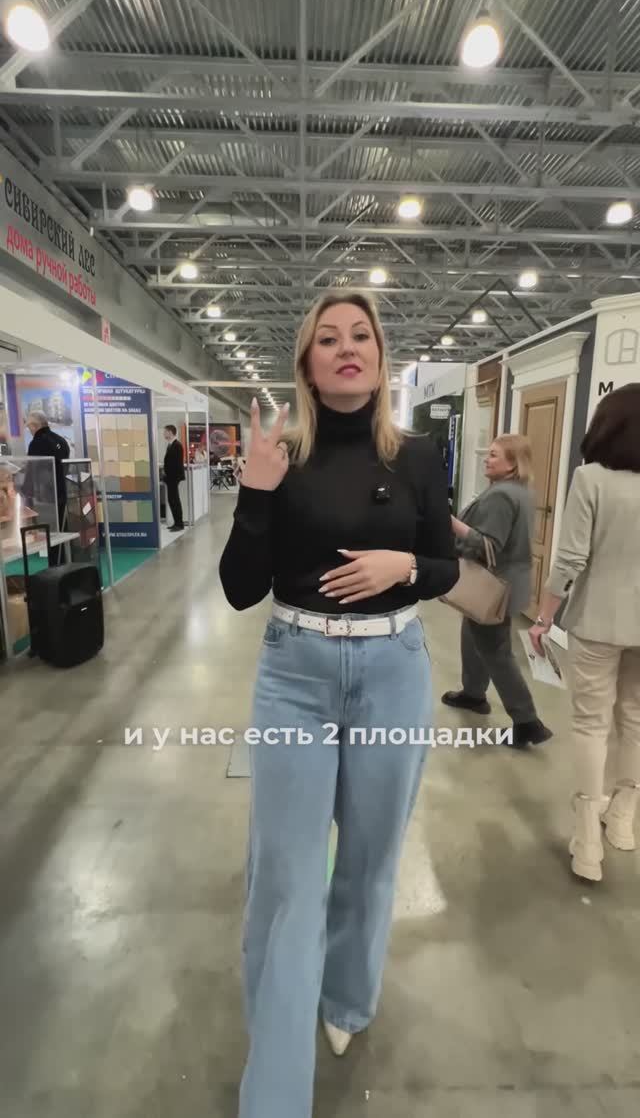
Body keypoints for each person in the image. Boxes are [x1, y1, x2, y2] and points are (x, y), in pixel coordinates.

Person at [219, 291, 459, 1118]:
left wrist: (405, 569)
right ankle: (275, 1093)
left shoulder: (417, 457)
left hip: (394, 670)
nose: (347, 347)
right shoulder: (283, 455)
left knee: (369, 858)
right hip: (295, 675)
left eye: (361, 335)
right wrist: (255, 494)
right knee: (287, 879)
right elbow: (239, 589)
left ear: (381, 358)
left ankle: (348, 1000)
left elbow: (446, 566)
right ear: (308, 364)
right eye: (328, 338)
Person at [529, 384, 640, 882]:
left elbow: (571, 558)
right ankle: (623, 820)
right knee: (635, 719)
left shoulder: (590, 478)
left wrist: (543, 617)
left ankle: (588, 841)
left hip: (597, 620)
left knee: (592, 724)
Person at [441, 434, 551, 749]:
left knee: (495, 651)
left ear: (513, 464)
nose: (486, 459)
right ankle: (473, 693)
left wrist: (450, 522)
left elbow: (488, 545)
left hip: (493, 585)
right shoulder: (521, 491)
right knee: (473, 634)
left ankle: (528, 722)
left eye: (493, 455)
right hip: (509, 581)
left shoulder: (501, 496)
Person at [26, 410, 70, 564]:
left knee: (50, 536)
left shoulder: (37, 443)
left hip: (46, 498)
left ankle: (55, 569)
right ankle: (63, 566)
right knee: (61, 534)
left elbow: (32, 471)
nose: (29, 431)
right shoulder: (61, 441)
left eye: (29, 427)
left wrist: (25, 493)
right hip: (62, 494)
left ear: (35, 425)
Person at [162, 424, 185, 531]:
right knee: (172, 500)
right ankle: (177, 523)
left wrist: (169, 476)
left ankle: (179, 524)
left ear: (170, 432)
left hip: (173, 478)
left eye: (165, 432)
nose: (164, 434)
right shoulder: (170, 445)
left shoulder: (177, 445)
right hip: (170, 478)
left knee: (174, 500)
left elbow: (176, 464)